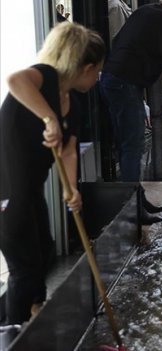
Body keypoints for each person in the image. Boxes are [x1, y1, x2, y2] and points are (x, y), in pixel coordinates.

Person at [0, 22, 105, 327]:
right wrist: (48, 118)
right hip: (6, 190)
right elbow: (14, 79)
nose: (97, 78)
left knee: (44, 248)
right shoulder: (42, 78)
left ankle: (35, 311)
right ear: (84, 67)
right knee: (24, 265)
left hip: (31, 188)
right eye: (96, 71)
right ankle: (14, 332)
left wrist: (71, 189)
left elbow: (69, 150)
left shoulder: (74, 103)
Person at [100, 0, 162, 225]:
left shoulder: (149, 12)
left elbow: (119, 40)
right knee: (132, 147)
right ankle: (132, 209)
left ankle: (137, 199)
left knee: (130, 146)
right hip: (123, 83)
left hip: (118, 80)